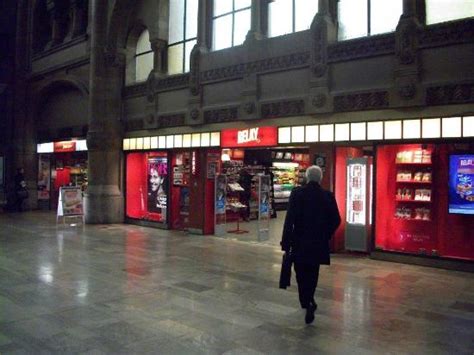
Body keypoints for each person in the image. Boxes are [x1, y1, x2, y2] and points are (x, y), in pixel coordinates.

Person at [281, 165, 341, 324]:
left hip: (299, 241)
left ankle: (306, 301)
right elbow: (336, 219)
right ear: (320, 178)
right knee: (313, 273)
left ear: (306, 177)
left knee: (300, 272)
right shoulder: (327, 196)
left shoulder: (297, 194)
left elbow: (289, 220)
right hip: (317, 242)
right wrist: (325, 235)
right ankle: (309, 299)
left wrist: (286, 242)